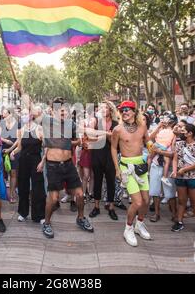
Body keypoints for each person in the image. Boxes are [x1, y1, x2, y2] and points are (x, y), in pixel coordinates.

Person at [41, 97, 94, 239]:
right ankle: (46, 222)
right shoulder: (47, 121)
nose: (62, 112)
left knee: (80, 195)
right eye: (59, 109)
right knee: (53, 199)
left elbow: (79, 138)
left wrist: (78, 142)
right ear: (53, 110)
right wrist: (20, 90)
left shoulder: (71, 124)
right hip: (53, 166)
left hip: (69, 164)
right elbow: (30, 108)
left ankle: (81, 218)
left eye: (64, 109)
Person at [112, 100, 152, 247]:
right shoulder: (118, 130)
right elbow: (113, 149)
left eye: (127, 109)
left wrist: (152, 148)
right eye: (122, 110)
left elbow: (147, 141)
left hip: (141, 166)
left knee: (147, 201)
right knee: (137, 202)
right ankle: (128, 228)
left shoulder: (142, 126)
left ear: (134, 111)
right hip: (126, 168)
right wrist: (117, 169)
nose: (124, 112)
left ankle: (139, 224)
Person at [10, 108, 46, 223]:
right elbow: (20, 147)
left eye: (26, 114)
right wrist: (13, 152)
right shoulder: (20, 130)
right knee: (23, 187)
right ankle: (23, 213)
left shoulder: (39, 129)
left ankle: (39, 216)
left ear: (31, 115)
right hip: (23, 160)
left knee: (38, 188)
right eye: (22, 114)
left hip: (36, 160)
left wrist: (42, 162)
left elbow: (46, 147)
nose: (23, 116)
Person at [170, 124, 195, 237]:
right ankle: (179, 222)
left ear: (190, 133)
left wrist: (184, 169)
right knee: (181, 201)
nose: (181, 132)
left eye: (183, 130)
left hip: (194, 177)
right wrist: (175, 171)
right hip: (181, 177)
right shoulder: (179, 144)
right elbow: (175, 158)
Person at [87, 101, 119, 220]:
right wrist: (105, 135)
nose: (104, 109)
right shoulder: (96, 122)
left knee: (111, 181)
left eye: (106, 107)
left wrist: (105, 137)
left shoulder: (116, 124)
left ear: (111, 110)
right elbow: (90, 138)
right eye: (102, 108)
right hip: (97, 155)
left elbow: (116, 142)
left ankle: (111, 207)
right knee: (97, 181)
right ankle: (96, 207)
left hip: (111, 156)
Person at [148, 115, 178, 222]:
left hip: (167, 167)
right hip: (155, 164)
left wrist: (160, 152)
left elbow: (174, 153)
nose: (166, 122)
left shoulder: (174, 133)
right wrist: (158, 127)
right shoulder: (158, 131)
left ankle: (174, 214)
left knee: (170, 192)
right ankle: (156, 213)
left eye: (168, 121)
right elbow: (149, 138)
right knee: (155, 191)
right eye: (164, 120)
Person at [0, 108, 19, 204]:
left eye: (5, 114)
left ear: (11, 113)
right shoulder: (2, 123)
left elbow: (18, 139)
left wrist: (11, 149)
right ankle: (3, 194)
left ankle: (11, 194)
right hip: (2, 150)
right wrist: (6, 141)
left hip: (14, 151)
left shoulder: (17, 124)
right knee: (3, 173)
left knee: (13, 173)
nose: (4, 116)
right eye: (3, 114)